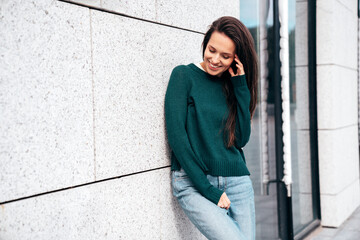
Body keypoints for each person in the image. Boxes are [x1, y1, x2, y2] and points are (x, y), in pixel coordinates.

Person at [164, 16, 258, 240]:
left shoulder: (232, 85)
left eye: (225, 56)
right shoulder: (184, 76)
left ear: (236, 59)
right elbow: (178, 137)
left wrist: (241, 87)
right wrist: (208, 190)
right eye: (211, 50)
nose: (215, 60)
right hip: (193, 182)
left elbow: (242, 139)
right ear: (205, 43)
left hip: (237, 181)